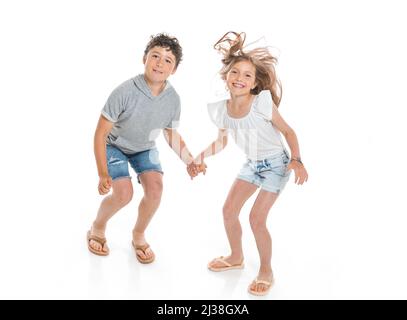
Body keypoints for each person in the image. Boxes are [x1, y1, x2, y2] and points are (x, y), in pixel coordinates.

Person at [195, 32, 308, 295]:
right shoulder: (222, 109)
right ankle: (236, 257)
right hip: (253, 164)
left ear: (255, 82)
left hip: (277, 165)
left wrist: (297, 160)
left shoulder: (262, 103)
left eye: (247, 75)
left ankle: (266, 270)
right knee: (228, 211)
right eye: (235, 72)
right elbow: (221, 142)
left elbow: (289, 132)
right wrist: (200, 156)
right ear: (226, 77)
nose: (240, 79)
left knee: (257, 218)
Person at [87, 33, 203, 263]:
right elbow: (100, 134)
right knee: (123, 194)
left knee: (156, 189)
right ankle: (97, 226)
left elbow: (171, 134)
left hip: (143, 148)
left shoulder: (173, 99)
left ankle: (138, 233)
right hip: (115, 145)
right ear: (144, 59)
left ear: (174, 70)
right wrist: (102, 173)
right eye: (155, 56)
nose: (160, 63)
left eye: (168, 60)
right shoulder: (124, 91)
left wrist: (190, 160)